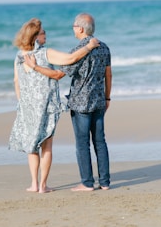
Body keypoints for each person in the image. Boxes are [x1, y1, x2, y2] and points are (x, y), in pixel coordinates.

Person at [8, 18, 98, 193]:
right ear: (35, 37)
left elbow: (16, 81)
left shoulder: (19, 56)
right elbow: (70, 58)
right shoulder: (45, 53)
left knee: (31, 145)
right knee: (46, 145)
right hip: (46, 106)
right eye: (43, 33)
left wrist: (22, 102)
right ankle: (43, 186)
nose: (45, 35)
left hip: (27, 106)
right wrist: (89, 46)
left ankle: (34, 183)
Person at [25, 12, 112, 192]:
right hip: (98, 101)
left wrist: (35, 67)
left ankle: (87, 183)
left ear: (80, 28)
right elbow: (108, 75)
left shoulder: (76, 52)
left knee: (82, 144)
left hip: (80, 103)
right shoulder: (104, 48)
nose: (73, 28)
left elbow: (58, 75)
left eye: (74, 25)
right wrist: (107, 97)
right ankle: (104, 182)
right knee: (100, 142)